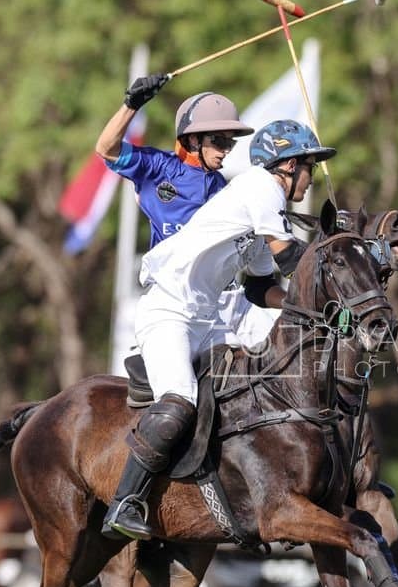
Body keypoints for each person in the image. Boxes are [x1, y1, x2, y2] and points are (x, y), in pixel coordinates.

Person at [101, 119, 334, 541]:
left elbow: (262, 286)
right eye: (309, 168)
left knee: (263, 381)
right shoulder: (261, 187)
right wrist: (340, 252)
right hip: (169, 311)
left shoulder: (268, 214)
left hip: (210, 320)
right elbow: (289, 260)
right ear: (289, 165)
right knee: (179, 401)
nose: (310, 178)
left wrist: (311, 310)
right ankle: (126, 500)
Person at [95, 74, 254, 248]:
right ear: (194, 139)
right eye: (220, 141)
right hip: (163, 274)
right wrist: (131, 105)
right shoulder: (157, 167)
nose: (226, 150)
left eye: (230, 142)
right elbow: (106, 149)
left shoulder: (220, 185)